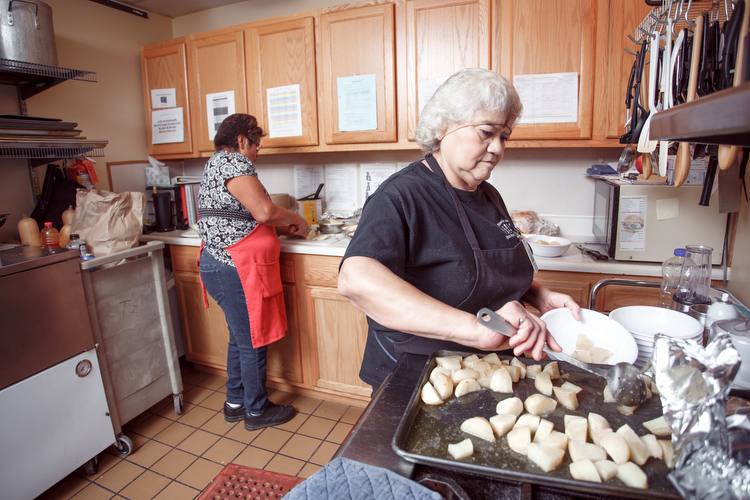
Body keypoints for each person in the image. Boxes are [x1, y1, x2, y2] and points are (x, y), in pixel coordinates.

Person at [338, 68, 581, 391]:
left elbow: (483, 271)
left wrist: (540, 295)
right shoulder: (401, 196)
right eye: (486, 132)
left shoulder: (488, 195)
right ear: (443, 127)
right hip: (417, 374)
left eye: (503, 137)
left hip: (483, 370)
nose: (497, 148)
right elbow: (355, 279)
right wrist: (475, 329)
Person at [197, 113, 309, 430]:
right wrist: (297, 220)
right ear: (243, 140)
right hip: (233, 267)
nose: (258, 150)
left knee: (241, 338)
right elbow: (263, 211)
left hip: (219, 264)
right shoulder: (234, 164)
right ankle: (257, 411)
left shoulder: (216, 163)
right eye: (256, 143)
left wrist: (281, 229)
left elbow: (245, 219)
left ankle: (235, 403)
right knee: (253, 340)